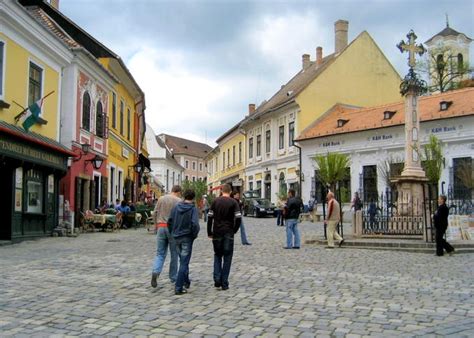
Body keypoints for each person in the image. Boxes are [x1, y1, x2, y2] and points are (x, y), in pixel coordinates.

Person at [207, 184, 242, 290]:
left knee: (217, 255)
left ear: (221, 191)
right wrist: (234, 230)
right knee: (227, 257)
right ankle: (224, 282)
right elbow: (238, 218)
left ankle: (217, 279)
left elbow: (210, 218)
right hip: (228, 232)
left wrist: (209, 231)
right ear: (230, 192)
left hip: (217, 231)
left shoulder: (215, 201)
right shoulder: (233, 202)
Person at [168, 189, 200, 295]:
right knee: (184, 262)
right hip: (187, 237)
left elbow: (170, 221)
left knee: (182, 260)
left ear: (184, 196)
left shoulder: (176, 207)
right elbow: (195, 224)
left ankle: (186, 281)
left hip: (176, 236)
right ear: (193, 197)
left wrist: (172, 232)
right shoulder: (193, 209)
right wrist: (194, 235)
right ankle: (178, 287)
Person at [150, 185, 182, 288]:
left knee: (160, 253)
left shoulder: (161, 198)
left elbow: (154, 213)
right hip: (172, 229)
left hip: (161, 227)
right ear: (178, 192)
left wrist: (156, 225)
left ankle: (155, 271)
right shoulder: (179, 201)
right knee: (174, 254)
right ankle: (173, 277)